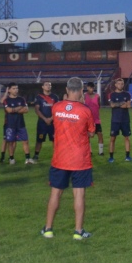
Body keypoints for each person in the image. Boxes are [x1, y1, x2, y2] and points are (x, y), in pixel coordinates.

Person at [41, 77, 96, 240]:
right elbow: (91, 133)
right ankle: (78, 232)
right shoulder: (85, 110)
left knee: (55, 193)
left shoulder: (56, 107)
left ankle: (48, 229)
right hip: (80, 159)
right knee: (79, 194)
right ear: (81, 91)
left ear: (67, 89)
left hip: (60, 158)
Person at [3, 83, 33, 165]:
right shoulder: (6, 100)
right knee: (11, 142)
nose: (16, 90)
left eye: (17, 88)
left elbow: (26, 110)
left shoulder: (21, 99)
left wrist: (14, 110)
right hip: (10, 125)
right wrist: (19, 108)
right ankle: (11, 159)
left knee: (25, 141)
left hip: (21, 124)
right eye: (14, 88)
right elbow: (9, 110)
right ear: (9, 90)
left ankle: (28, 158)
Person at [32, 81, 59, 162]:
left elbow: (57, 109)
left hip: (53, 122)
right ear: (42, 87)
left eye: (49, 85)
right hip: (42, 123)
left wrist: (51, 118)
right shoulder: (39, 97)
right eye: (46, 85)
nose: (48, 86)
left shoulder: (55, 97)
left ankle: (57, 155)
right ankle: (36, 155)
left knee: (54, 139)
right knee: (39, 140)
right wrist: (45, 119)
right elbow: (37, 109)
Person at [108, 77, 132, 162]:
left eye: (122, 84)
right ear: (115, 85)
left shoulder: (127, 94)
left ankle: (128, 156)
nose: (120, 85)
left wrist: (116, 104)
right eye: (119, 84)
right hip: (115, 120)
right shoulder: (112, 94)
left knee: (127, 137)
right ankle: (111, 157)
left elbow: (128, 106)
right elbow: (112, 105)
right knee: (112, 138)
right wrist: (121, 103)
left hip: (125, 120)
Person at [84, 82, 104, 156]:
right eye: (89, 88)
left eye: (92, 88)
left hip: (96, 120)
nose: (91, 89)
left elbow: (99, 105)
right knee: (87, 136)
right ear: (87, 88)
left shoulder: (97, 96)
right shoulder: (84, 96)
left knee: (100, 134)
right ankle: (90, 151)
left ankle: (101, 152)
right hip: (87, 119)